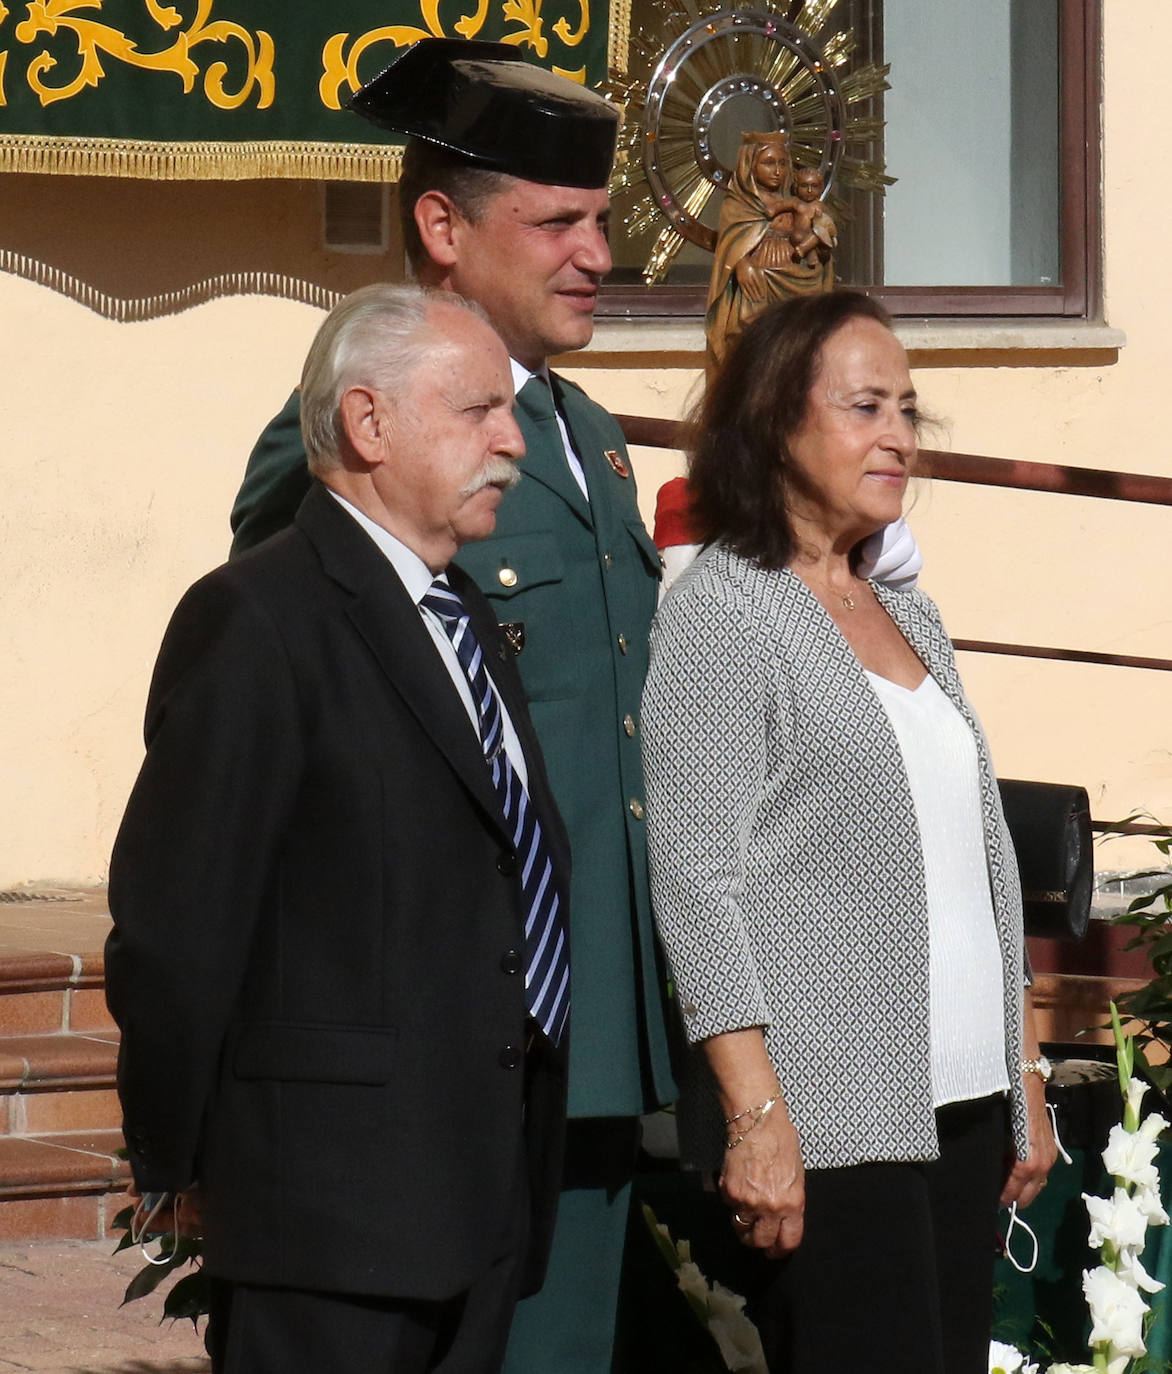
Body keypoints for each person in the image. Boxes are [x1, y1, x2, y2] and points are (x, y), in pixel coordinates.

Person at [227, 39, 677, 1372]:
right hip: (431, 1067)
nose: (598, 254)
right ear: (441, 227)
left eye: (602, 222)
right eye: (558, 223)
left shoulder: (588, 437)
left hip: (586, 1039)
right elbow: (279, 712)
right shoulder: (351, 434)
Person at [105, 283, 571, 1374]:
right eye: (477, 412)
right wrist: (173, 1161)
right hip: (329, 1225)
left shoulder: (463, 619)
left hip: (475, 1206)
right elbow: (178, 928)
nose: (513, 441)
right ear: (368, 423)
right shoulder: (258, 618)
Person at [640, 290, 1057, 1373]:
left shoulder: (905, 610)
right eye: (865, 406)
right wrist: (755, 1114)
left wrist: (1024, 1076)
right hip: (832, 1116)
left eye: (909, 411)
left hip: (964, 1108)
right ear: (776, 422)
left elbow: (979, 859)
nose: (898, 438)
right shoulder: (721, 610)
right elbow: (694, 880)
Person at [705, 132, 833, 370]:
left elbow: (822, 239)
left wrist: (821, 248)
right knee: (754, 343)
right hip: (757, 285)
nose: (777, 171)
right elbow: (729, 245)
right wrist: (741, 264)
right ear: (749, 165)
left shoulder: (798, 203)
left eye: (783, 164)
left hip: (799, 278)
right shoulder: (738, 206)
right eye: (769, 163)